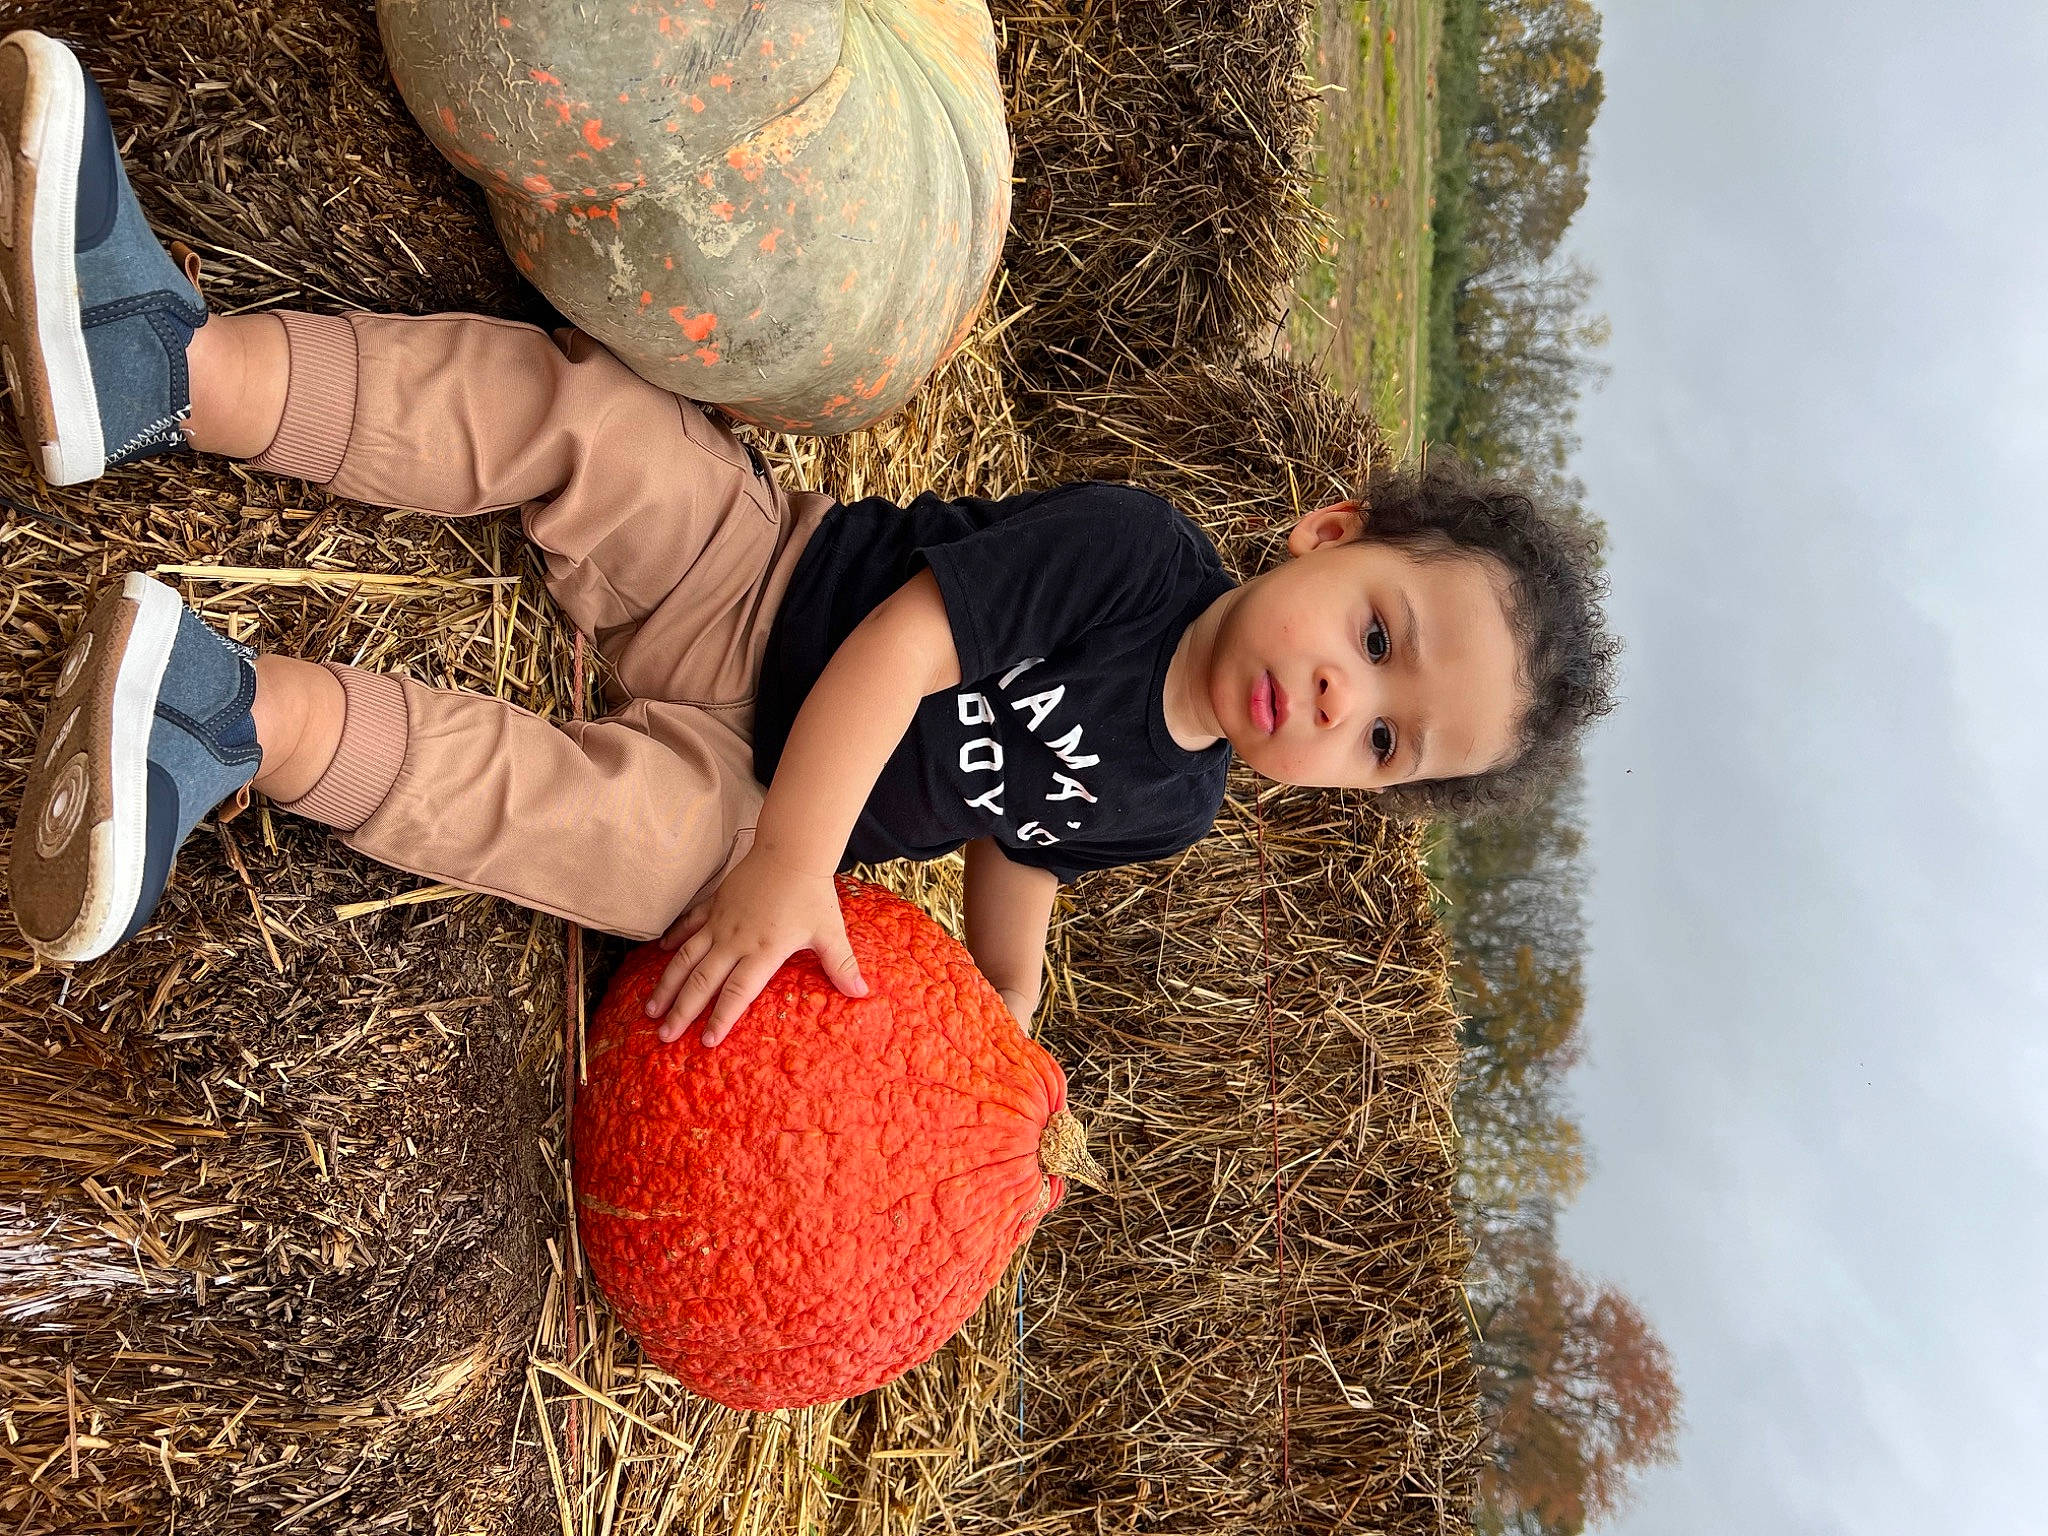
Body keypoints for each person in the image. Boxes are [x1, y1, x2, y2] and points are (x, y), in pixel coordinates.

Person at [0, 29, 1615, 1048]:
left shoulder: (1173, 805)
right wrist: (794, 864)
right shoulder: (1137, 554)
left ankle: (228, 720)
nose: (1340, 699)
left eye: (1385, 741)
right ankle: (175, 367)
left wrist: (1003, 1018)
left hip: (748, 785)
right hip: (752, 575)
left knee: (646, 867)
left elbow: (1024, 844)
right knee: (583, 417)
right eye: (1377, 637)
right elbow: (902, 650)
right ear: (1329, 532)